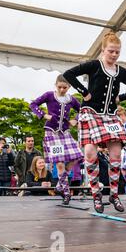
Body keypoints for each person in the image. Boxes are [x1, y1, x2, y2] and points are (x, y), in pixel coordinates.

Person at [63, 32, 126, 213]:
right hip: (91, 113)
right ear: (103, 50)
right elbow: (68, 74)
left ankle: (114, 194)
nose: (114, 55)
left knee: (116, 154)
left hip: (111, 115)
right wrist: (84, 92)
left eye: (117, 52)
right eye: (111, 51)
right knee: (90, 152)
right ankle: (96, 194)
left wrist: (120, 97)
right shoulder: (94, 65)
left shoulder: (120, 71)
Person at [30, 75, 83, 205]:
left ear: (69, 87)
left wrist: (75, 119)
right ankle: (65, 192)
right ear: (56, 85)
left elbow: (83, 109)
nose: (62, 89)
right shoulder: (49, 95)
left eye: (64, 87)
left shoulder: (71, 99)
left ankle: (60, 184)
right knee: (59, 163)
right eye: (59, 87)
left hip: (65, 132)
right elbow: (33, 104)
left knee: (76, 157)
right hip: (51, 132)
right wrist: (43, 114)